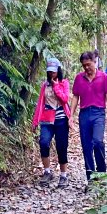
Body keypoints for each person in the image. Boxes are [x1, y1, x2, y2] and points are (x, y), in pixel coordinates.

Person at [69, 51, 107, 185]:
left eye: (88, 64)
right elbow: (75, 96)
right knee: (86, 147)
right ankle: (91, 178)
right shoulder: (79, 78)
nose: (86, 68)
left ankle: (101, 172)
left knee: (97, 141)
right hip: (84, 114)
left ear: (94, 62)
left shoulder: (104, 77)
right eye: (84, 65)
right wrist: (71, 116)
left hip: (98, 114)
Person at [32, 58, 71, 189]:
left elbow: (65, 99)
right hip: (47, 120)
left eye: (53, 72)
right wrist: (35, 121)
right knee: (43, 143)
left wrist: (56, 86)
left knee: (61, 146)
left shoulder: (64, 83)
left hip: (61, 120)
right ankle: (47, 171)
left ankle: (63, 174)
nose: (51, 74)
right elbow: (40, 103)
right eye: (49, 72)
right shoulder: (44, 85)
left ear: (58, 71)